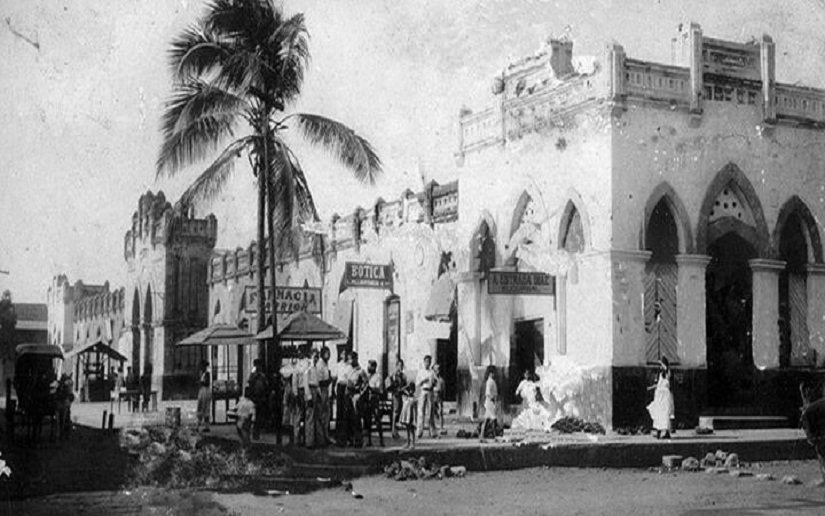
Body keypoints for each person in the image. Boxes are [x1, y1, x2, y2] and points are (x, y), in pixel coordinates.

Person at [647, 357, 674, 439]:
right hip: (659, 396)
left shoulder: (668, 373)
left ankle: (666, 432)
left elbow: (668, 379)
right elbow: (659, 384)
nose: (660, 367)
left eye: (661, 365)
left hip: (665, 395)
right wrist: (651, 387)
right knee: (658, 413)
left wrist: (665, 366)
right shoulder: (660, 374)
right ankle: (659, 432)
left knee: (665, 413)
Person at [347, 352, 369, 447]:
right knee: (350, 418)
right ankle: (351, 439)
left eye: (351, 359)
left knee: (357, 419)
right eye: (349, 359)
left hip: (356, 396)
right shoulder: (349, 370)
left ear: (356, 359)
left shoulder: (361, 371)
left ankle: (358, 440)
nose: (350, 361)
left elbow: (366, 384)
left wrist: (360, 394)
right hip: (349, 395)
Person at [363, 360, 385, 447]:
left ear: (374, 367)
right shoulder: (368, 376)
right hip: (367, 399)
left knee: (377, 419)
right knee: (368, 420)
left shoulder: (377, 377)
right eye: (368, 366)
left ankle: (381, 440)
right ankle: (369, 441)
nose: (368, 368)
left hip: (374, 399)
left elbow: (379, 389)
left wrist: (370, 387)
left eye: (370, 366)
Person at [246, 358, 269, 440]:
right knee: (253, 415)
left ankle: (256, 432)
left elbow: (265, 385)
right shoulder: (253, 375)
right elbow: (250, 383)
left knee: (258, 416)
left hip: (259, 397)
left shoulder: (262, 376)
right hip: (254, 397)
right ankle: (253, 432)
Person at [416, 355, 437, 439]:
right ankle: (419, 432)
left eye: (429, 362)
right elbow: (417, 383)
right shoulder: (420, 372)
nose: (427, 363)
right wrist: (423, 380)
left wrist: (433, 382)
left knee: (430, 411)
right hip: (423, 391)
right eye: (426, 361)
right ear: (424, 362)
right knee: (421, 412)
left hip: (430, 391)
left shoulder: (432, 372)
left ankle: (432, 432)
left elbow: (436, 381)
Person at [334, 350, 353, 445]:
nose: (344, 356)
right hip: (339, 387)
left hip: (346, 387)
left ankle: (345, 436)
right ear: (341, 355)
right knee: (339, 411)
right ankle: (338, 435)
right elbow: (335, 377)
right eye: (343, 354)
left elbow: (349, 379)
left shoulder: (349, 366)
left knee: (346, 412)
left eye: (346, 354)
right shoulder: (338, 365)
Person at [386, 358, 407, 439]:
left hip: (400, 395)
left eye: (402, 365)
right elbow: (392, 385)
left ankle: (395, 431)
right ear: (396, 366)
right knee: (395, 412)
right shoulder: (394, 375)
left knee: (398, 412)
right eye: (399, 365)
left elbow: (403, 384)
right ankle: (393, 431)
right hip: (396, 395)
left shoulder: (402, 375)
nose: (401, 367)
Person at [304, 350, 320, 448]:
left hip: (316, 391)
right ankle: (309, 442)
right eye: (314, 356)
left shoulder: (316, 369)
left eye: (317, 357)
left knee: (316, 417)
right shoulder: (308, 369)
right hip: (310, 390)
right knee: (309, 417)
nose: (316, 359)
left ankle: (316, 440)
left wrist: (319, 394)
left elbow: (317, 383)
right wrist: (309, 396)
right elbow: (306, 384)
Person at [317, 347, 333, 447]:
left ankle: (326, 436)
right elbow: (320, 381)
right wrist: (329, 380)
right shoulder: (320, 365)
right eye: (327, 353)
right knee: (322, 414)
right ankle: (321, 438)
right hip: (322, 390)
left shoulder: (326, 364)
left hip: (326, 390)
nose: (329, 355)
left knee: (327, 414)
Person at [479, 365, 498, 443]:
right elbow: (488, 393)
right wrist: (492, 399)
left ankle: (482, 436)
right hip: (490, 402)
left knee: (486, 420)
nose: (494, 374)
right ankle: (495, 436)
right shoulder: (490, 382)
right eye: (493, 373)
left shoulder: (491, 381)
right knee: (493, 419)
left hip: (489, 402)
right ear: (490, 373)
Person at [55, 373, 75, 440]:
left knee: (65, 414)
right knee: (60, 416)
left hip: (64, 406)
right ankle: (60, 431)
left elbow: (71, 397)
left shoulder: (66, 388)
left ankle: (62, 431)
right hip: (60, 406)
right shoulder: (59, 388)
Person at [399, 381, 417, 449]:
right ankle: (408, 442)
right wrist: (407, 386)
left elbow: (415, 410)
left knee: (411, 429)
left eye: (412, 390)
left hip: (411, 416)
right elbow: (400, 390)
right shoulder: (405, 397)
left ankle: (413, 443)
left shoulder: (414, 399)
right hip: (405, 416)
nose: (411, 391)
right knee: (407, 429)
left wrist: (415, 419)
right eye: (410, 389)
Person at [196, 360, 212, 433]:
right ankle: (198, 425)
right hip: (202, 391)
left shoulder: (207, 374)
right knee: (200, 407)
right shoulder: (202, 374)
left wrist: (201, 382)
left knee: (205, 408)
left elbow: (207, 383)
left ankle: (206, 426)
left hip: (205, 391)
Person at [432, 363, 444, 436]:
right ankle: (433, 428)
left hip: (439, 397)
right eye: (436, 369)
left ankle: (441, 427)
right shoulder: (432, 379)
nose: (437, 371)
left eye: (438, 369)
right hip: (433, 397)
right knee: (433, 413)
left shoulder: (441, 380)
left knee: (440, 412)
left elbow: (443, 390)